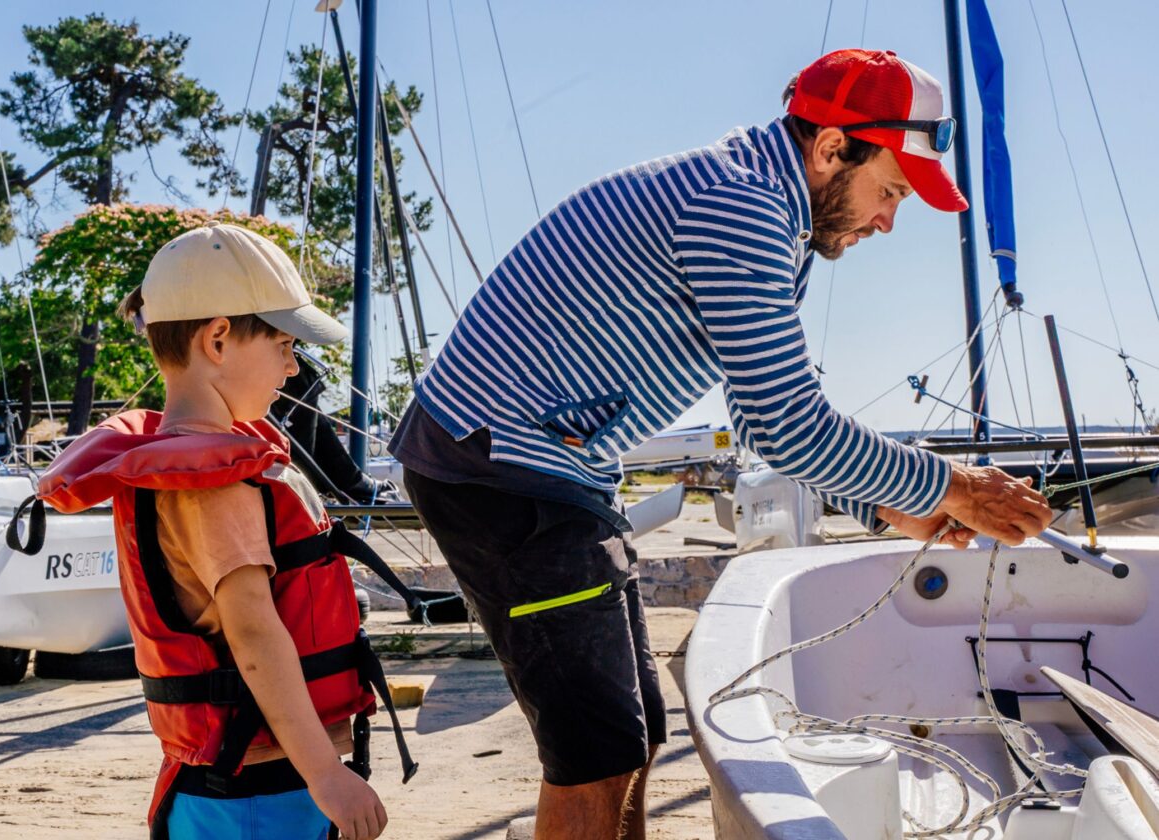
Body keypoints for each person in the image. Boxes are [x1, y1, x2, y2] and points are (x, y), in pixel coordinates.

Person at [389, 49, 1053, 839]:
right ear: (831, 147)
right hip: (498, 466)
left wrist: (884, 510)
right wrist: (953, 487)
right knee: (594, 754)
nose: (887, 220)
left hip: (547, 470)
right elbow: (788, 423)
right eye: (891, 191)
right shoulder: (739, 207)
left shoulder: (775, 214)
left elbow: (759, 419)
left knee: (634, 732)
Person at [34, 221, 407, 840]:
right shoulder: (214, 482)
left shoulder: (190, 461)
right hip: (256, 796)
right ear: (217, 339)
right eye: (283, 345)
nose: (291, 368)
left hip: (230, 784)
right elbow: (254, 634)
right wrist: (326, 775)